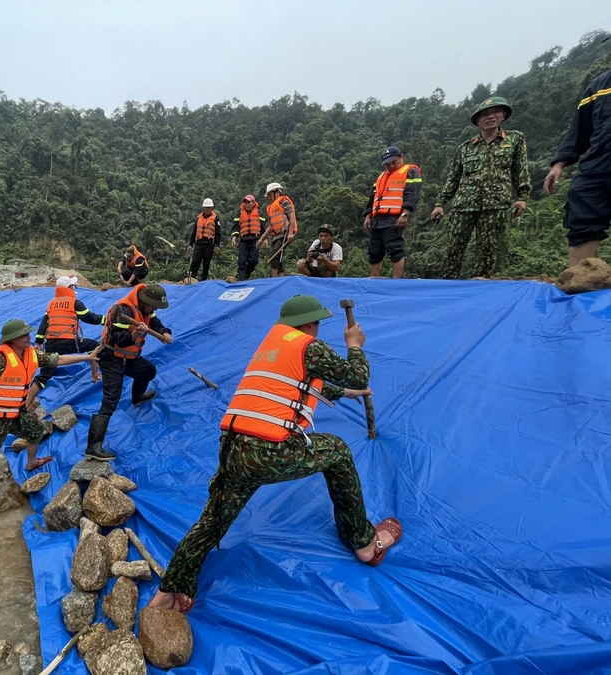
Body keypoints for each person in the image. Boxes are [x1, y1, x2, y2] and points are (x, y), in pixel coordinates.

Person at [148, 294, 401, 615]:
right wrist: (354, 344)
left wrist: (345, 393)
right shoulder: (309, 345)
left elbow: (298, 383)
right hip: (269, 449)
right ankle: (366, 544)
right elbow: (358, 374)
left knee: (212, 522)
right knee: (337, 451)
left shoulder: (271, 348)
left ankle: (170, 590)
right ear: (310, 324)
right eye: (318, 324)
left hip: (232, 447)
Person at [0, 319, 98, 530]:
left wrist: (87, 356)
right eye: (24, 334)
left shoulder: (32, 354)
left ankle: (30, 462)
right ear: (12, 339)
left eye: (28, 333)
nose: (29, 337)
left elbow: (58, 359)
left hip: (15, 413)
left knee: (36, 430)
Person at [431, 97, 531, 279]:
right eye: (484, 114)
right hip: (464, 205)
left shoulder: (514, 140)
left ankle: (480, 288)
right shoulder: (466, 148)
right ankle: (445, 286)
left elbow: (520, 170)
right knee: (453, 249)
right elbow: (453, 178)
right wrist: (440, 203)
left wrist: (522, 197)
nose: (490, 117)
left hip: (495, 205)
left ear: (504, 116)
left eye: (495, 112)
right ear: (477, 120)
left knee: (487, 252)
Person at [85, 284, 173, 462]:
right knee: (111, 398)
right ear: (144, 301)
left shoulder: (147, 310)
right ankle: (93, 446)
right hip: (111, 357)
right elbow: (119, 340)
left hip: (129, 357)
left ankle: (137, 397)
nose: (154, 309)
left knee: (148, 370)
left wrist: (166, 332)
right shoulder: (121, 310)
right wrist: (134, 335)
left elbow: (156, 323)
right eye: (153, 306)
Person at [544, 49, 611, 266]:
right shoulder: (599, 86)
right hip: (598, 166)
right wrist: (559, 163)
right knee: (582, 207)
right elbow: (579, 130)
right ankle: (581, 281)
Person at [28, 275, 105, 408]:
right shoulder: (75, 303)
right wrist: (106, 320)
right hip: (69, 342)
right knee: (93, 345)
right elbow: (90, 318)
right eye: (72, 285)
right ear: (69, 288)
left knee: (45, 375)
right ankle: (95, 376)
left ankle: (27, 403)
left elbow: (43, 324)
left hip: (51, 343)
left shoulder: (51, 303)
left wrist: (38, 343)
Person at [363, 146, 422, 279]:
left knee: (395, 250)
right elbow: (373, 198)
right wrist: (368, 216)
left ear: (401, 157)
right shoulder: (381, 177)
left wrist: (405, 214)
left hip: (394, 218)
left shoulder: (410, 171)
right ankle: (373, 280)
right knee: (374, 252)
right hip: (377, 219)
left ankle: (396, 282)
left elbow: (412, 194)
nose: (389, 165)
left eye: (392, 162)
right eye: (387, 163)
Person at [257, 182, 297, 277]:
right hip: (276, 235)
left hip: (285, 233)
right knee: (278, 258)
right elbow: (271, 226)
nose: (269, 197)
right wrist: (262, 239)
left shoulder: (284, 202)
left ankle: (273, 280)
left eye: (270, 195)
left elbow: (292, 217)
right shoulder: (270, 207)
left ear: (277, 192)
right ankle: (280, 279)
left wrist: (290, 233)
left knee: (274, 256)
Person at [231, 195, 266, 280]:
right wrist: (234, 237)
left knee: (254, 260)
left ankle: (247, 274)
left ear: (253, 203)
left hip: (255, 240)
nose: (247, 204)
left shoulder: (259, 213)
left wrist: (265, 238)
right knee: (241, 261)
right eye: (245, 202)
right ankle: (242, 278)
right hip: (244, 240)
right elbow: (236, 227)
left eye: (249, 202)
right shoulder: (239, 214)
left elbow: (263, 227)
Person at [187, 198, 222, 282]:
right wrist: (190, 244)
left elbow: (218, 233)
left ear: (212, 208)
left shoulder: (215, 219)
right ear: (203, 208)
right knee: (195, 261)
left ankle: (203, 281)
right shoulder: (199, 218)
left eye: (209, 208)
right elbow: (194, 232)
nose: (207, 209)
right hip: (199, 243)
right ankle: (191, 279)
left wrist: (217, 245)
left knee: (206, 264)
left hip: (209, 244)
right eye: (206, 208)